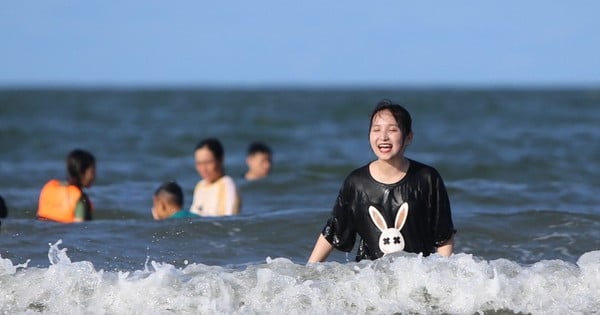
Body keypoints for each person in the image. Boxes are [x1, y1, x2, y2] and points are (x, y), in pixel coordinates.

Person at [308, 100, 456, 263]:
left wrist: (442, 278)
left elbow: (443, 236)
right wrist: (307, 272)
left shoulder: (427, 178)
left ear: (408, 137)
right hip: (372, 278)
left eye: (392, 130)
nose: (383, 137)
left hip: (416, 276)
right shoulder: (356, 183)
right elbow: (333, 232)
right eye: (376, 130)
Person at [37, 149, 96, 223]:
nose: (94, 176)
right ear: (82, 172)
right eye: (92, 171)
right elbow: (80, 230)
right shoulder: (80, 199)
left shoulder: (48, 188)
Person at [190, 138, 241, 216]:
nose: (203, 169)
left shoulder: (227, 184)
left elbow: (229, 219)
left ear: (220, 160)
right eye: (199, 163)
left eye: (208, 162)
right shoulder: (200, 186)